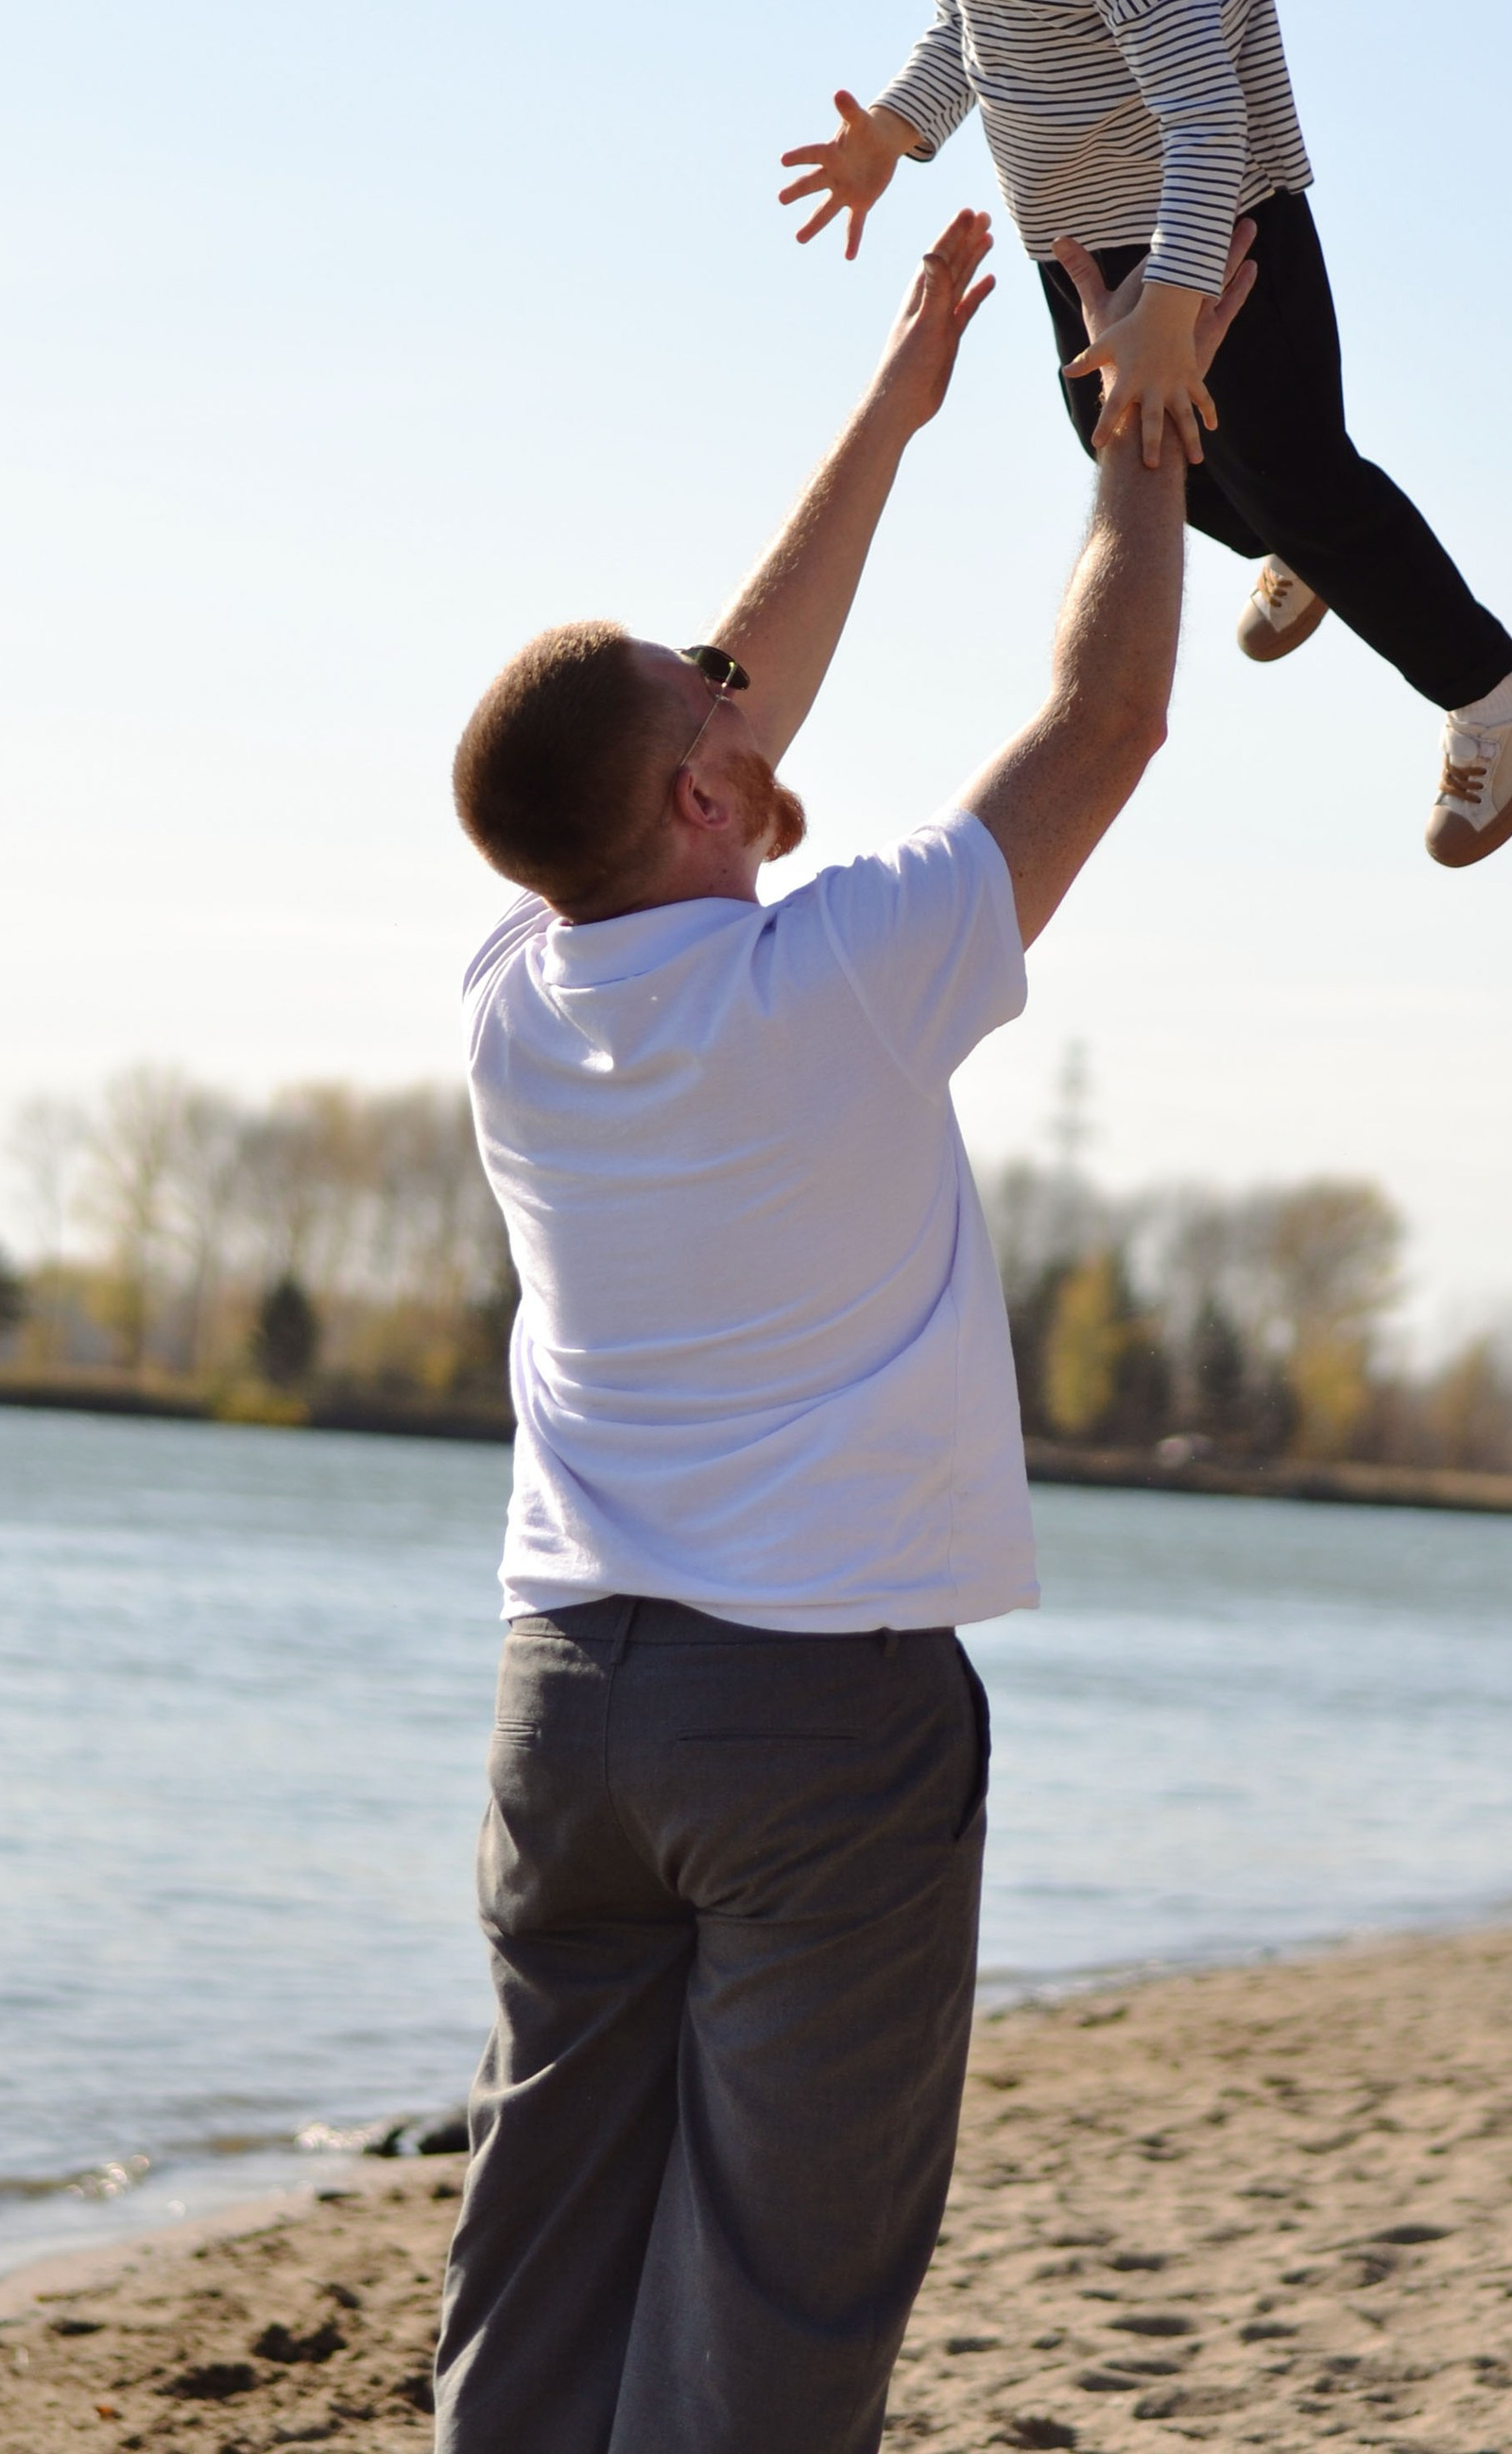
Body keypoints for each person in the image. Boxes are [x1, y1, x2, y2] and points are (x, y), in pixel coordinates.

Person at [436, 206, 1251, 2454]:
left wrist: (893, 414)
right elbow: (1109, 714)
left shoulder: (517, 997)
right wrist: (1144, 420)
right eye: (718, 713)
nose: (745, 695)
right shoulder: (843, 978)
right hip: (808, 1723)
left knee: (544, 2265)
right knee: (773, 2307)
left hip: (564, 1714)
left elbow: (694, 715)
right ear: (701, 793)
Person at [780, 0, 1512, 871]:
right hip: (1083, 242)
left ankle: (1499, 691)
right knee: (1150, 461)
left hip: (1212, 228)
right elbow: (967, 33)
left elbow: (1206, 117)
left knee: (1299, 471)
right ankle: (1297, 552)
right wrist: (893, 132)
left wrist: (1173, 298)